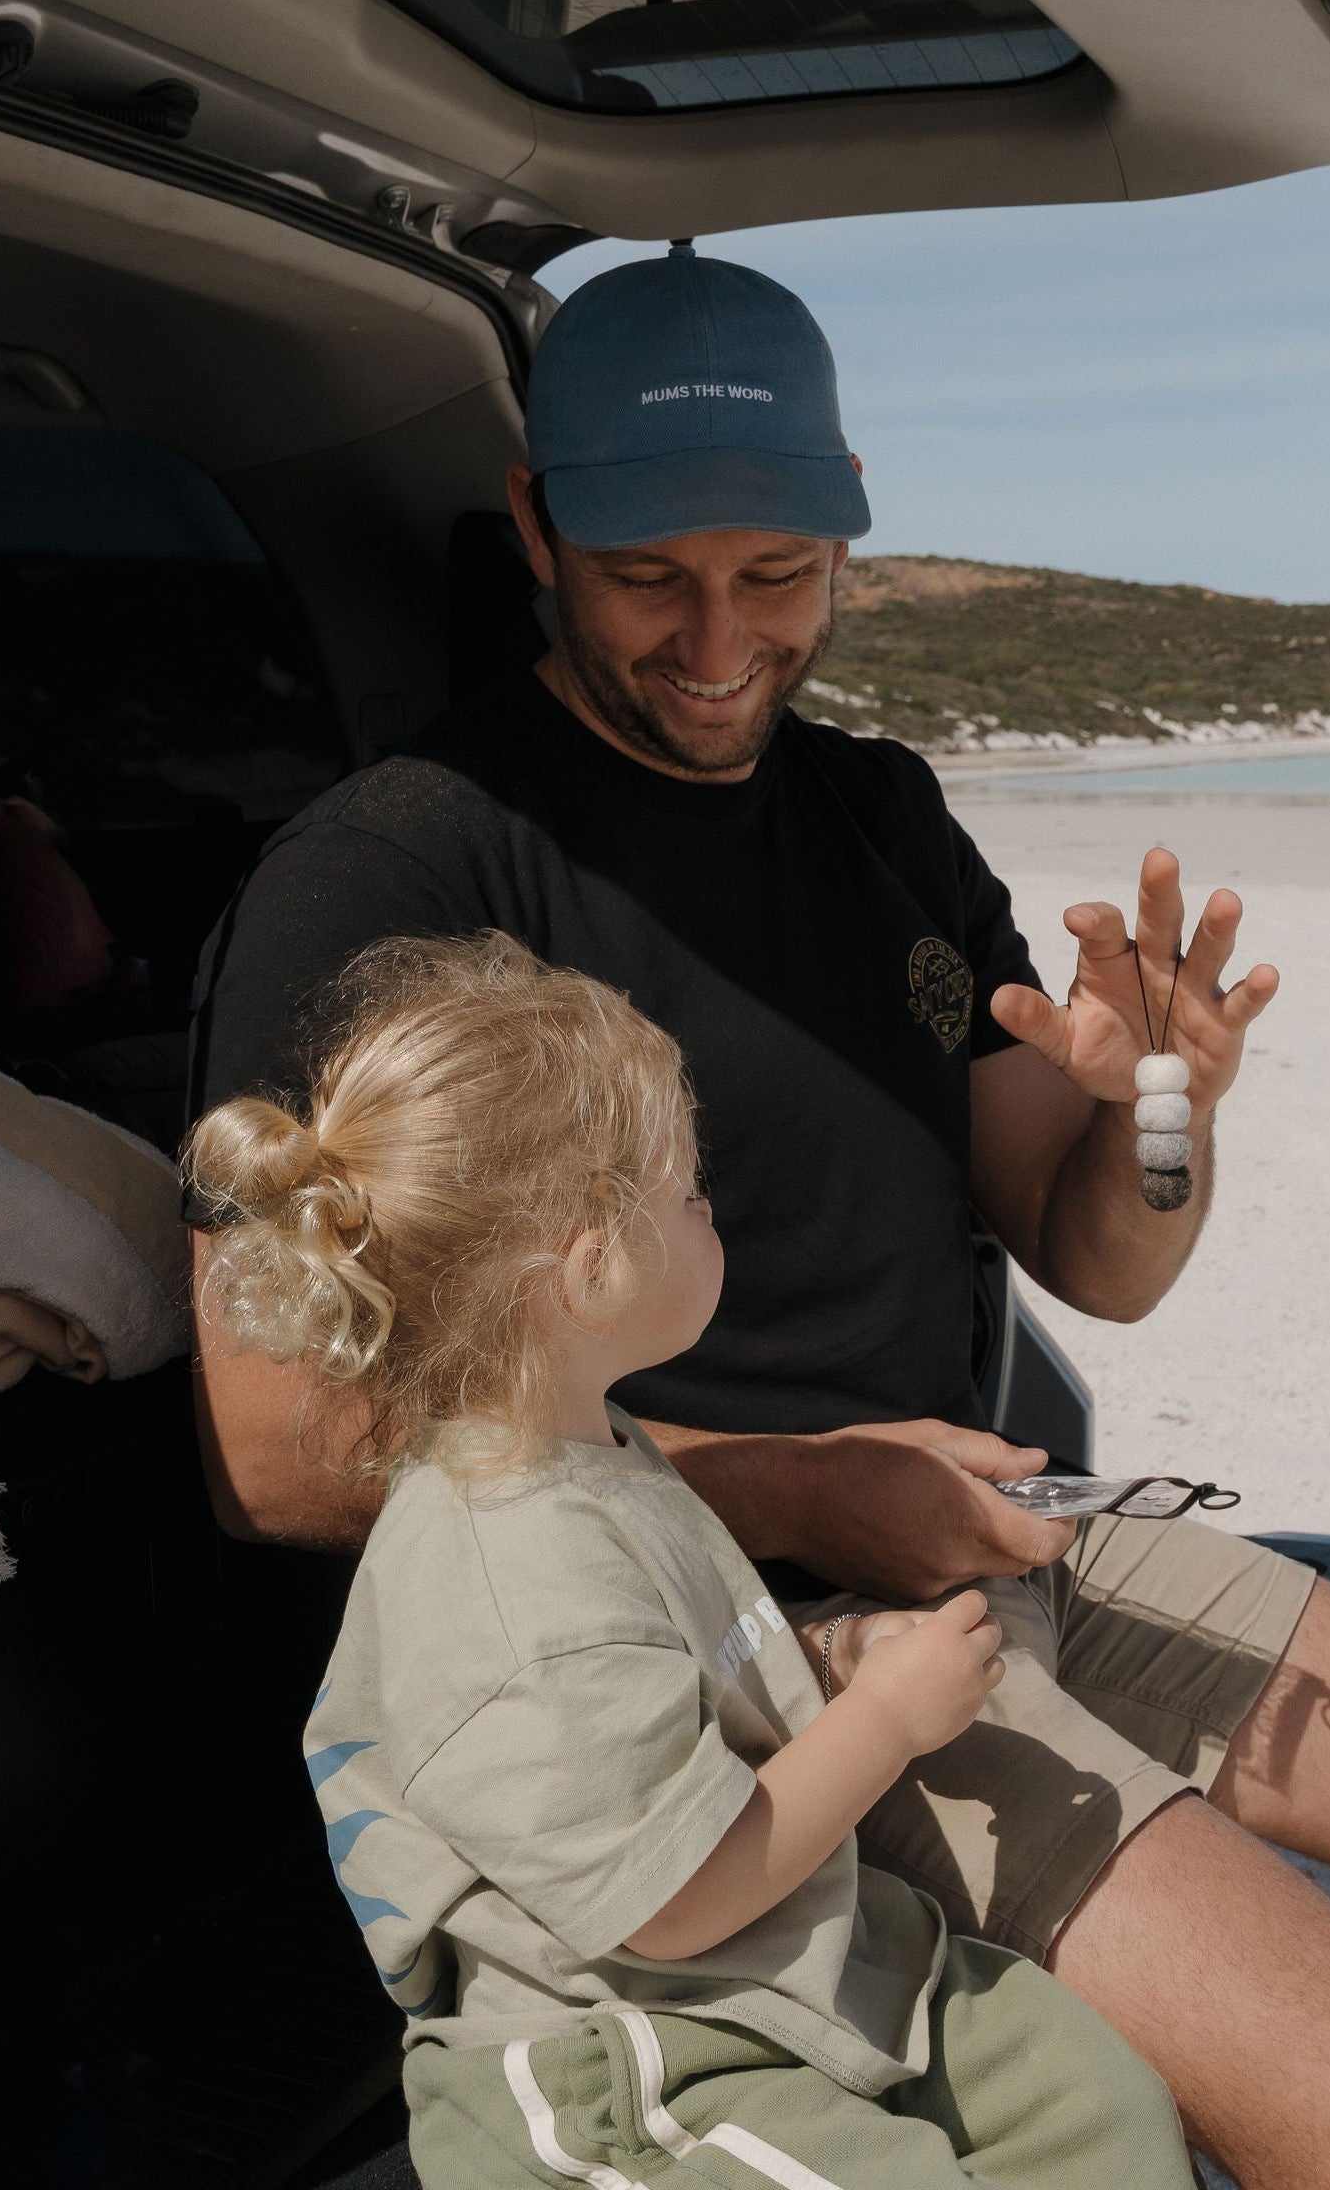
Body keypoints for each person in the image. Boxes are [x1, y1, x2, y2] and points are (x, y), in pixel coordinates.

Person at [189, 248, 1330, 2190]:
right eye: (650, 579)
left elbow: (1095, 1251)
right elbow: (270, 1452)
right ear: (536, 525)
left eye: (776, 576)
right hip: (742, 1631)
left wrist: (1165, 1118)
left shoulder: (876, 815)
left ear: (850, 531)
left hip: (990, 1520)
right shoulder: (400, 870)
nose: (718, 640)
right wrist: (803, 1489)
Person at [186, 934, 1195, 2189]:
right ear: (589, 1262)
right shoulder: (511, 1584)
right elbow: (671, 1905)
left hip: (778, 1971)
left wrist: (837, 1659)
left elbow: (691, 1684)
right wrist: (882, 1720)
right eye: (689, 1196)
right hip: (635, 2059)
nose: (712, 1212)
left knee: (1091, 2097)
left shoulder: (587, 1456)